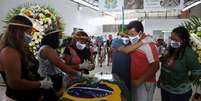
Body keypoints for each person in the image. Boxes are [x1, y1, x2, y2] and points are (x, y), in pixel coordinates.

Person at [0, 15, 53, 101]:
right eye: (29, 32)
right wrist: (40, 84)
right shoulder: (9, 52)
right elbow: (14, 83)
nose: (31, 36)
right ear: (18, 31)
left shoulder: (22, 49)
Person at [118, 21, 160, 101]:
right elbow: (125, 50)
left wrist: (139, 81)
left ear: (140, 33)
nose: (130, 37)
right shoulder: (135, 43)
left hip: (145, 82)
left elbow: (155, 66)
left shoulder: (149, 45)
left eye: (132, 34)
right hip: (135, 81)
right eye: (129, 34)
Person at [158, 26, 201, 101]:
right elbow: (164, 67)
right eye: (171, 38)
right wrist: (160, 80)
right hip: (165, 89)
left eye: (175, 39)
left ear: (183, 40)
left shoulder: (188, 53)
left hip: (180, 93)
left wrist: (188, 80)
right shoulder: (169, 49)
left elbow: (197, 71)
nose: (172, 41)